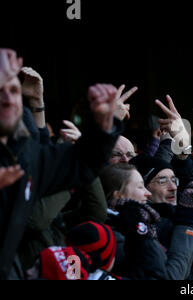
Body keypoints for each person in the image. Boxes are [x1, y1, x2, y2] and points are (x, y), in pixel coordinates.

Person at [0, 48, 123, 279]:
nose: (8, 98)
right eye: (0, 91)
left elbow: (81, 163)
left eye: (14, 90)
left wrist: (104, 125)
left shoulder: (24, 157)